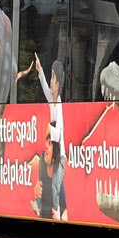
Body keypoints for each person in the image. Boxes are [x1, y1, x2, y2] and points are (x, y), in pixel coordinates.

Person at [35, 54, 67, 220]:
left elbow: (58, 133)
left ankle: (58, 214)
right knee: (48, 179)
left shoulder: (59, 103)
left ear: (58, 84)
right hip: (54, 153)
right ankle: (43, 208)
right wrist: (40, 70)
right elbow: (45, 89)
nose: (51, 81)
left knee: (56, 187)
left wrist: (49, 128)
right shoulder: (52, 99)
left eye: (53, 77)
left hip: (59, 156)